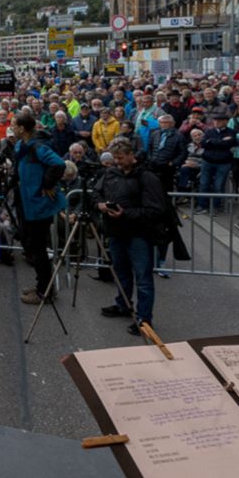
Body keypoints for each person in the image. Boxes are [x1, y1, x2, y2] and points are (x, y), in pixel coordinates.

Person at [95, 139, 168, 336]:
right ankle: (123, 305)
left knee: (143, 278)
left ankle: (144, 318)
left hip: (139, 235)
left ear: (130, 156)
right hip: (116, 232)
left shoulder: (147, 177)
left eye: (120, 158)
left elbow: (156, 210)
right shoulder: (110, 173)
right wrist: (101, 204)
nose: (117, 162)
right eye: (115, 158)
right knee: (121, 273)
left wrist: (126, 213)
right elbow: (97, 193)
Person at [11, 111, 67, 306]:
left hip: (39, 204)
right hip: (27, 202)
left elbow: (59, 164)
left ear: (22, 128)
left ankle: (45, 291)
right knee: (30, 244)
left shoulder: (38, 146)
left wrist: (48, 184)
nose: (11, 127)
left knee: (38, 248)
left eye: (13, 124)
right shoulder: (21, 145)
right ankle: (41, 284)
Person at [196, 113, 237, 214]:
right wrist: (220, 141)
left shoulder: (231, 132)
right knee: (203, 184)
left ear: (225, 122)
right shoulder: (209, 131)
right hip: (208, 160)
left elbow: (230, 143)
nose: (216, 123)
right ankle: (202, 206)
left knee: (218, 185)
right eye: (215, 121)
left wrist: (212, 142)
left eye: (219, 121)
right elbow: (204, 144)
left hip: (224, 162)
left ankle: (216, 207)